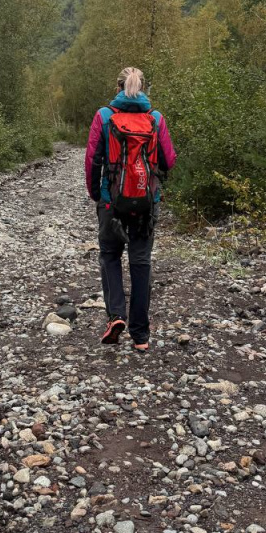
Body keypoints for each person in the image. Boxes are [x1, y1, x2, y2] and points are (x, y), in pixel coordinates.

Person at [84, 66, 177, 352]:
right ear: (143, 88)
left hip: (111, 201)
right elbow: (168, 161)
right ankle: (141, 336)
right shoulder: (155, 118)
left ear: (117, 87)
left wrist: (97, 194)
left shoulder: (104, 116)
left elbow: (92, 161)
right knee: (141, 261)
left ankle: (116, 317)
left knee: (110, 255)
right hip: (146, 203)